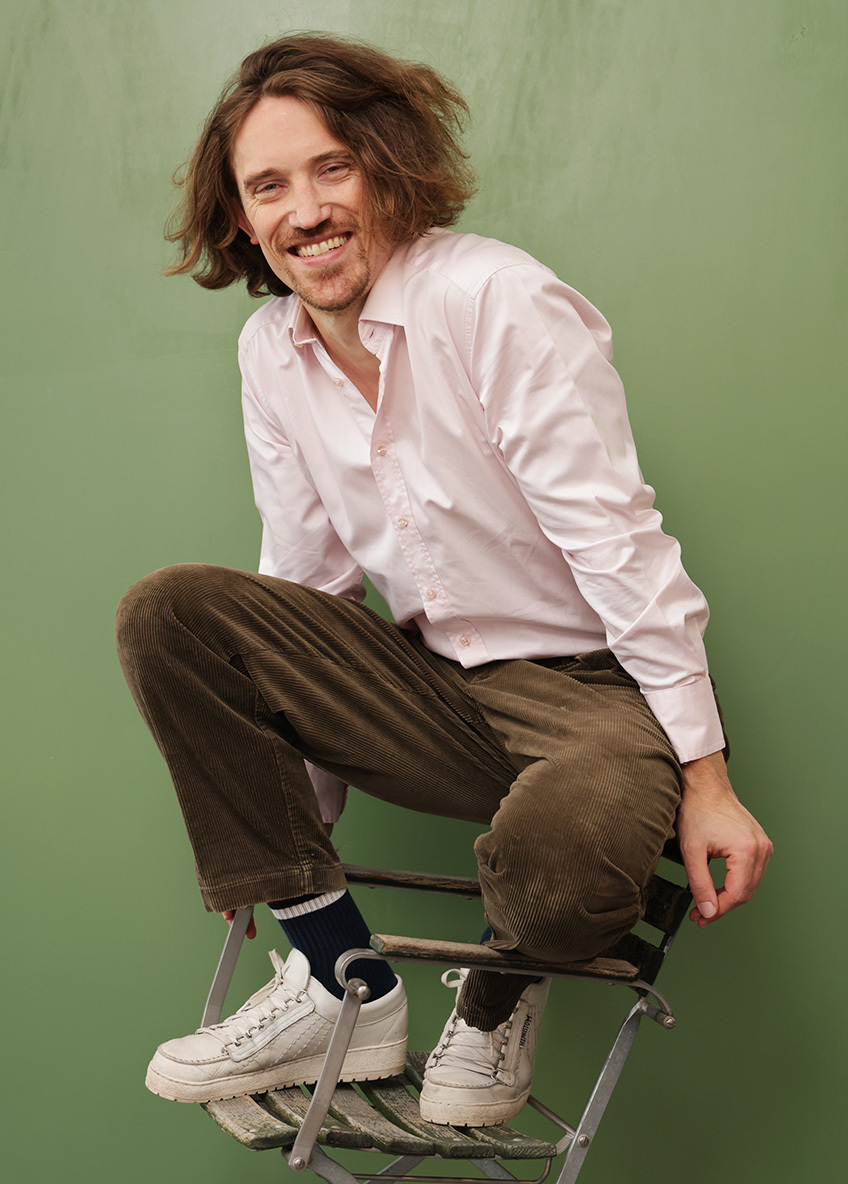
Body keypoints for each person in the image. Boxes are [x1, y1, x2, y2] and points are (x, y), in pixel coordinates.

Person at [116, 32, 772, 1128]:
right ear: (240, 218)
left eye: (333, 168)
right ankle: (337, 981)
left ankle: (495, 999)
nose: (307, 210)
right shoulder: (270, 351)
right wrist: (288, 852)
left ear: (387, 170)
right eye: (269, 186)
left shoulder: (494, 298)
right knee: (172, 612)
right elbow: (308, 591)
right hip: (428, 686)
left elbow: (616, 539)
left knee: (564, 867)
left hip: (587, 694)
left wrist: (705, 775)